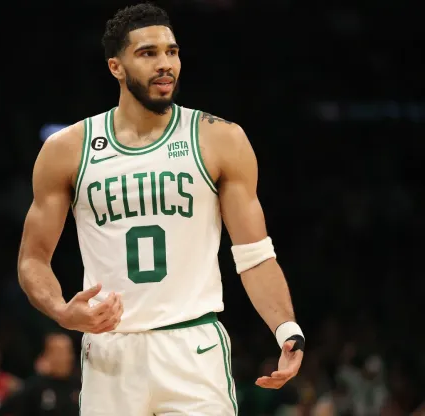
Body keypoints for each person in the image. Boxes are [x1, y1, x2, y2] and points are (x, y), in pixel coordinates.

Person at [16, 4, 305, 415]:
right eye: (148, 53)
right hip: (110, 349)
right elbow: (32, 259)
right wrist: (63, 312)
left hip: (193, 345)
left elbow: (254, 254)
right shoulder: (68, 149)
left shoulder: (219, 139)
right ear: (116, 66)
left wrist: (286, 329)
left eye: (172, 52)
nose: (166, 64)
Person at [0, 332, 79, 416]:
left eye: (67, 351)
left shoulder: (80, 386)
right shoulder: (35, 387)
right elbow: (5, 409)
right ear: (47, 355)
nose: (64, 357)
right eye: (59, 352)